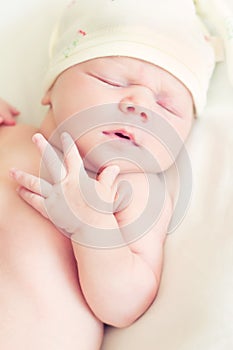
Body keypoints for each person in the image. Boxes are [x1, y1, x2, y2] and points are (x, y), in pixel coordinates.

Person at [0, 0, 216, 349]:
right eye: (111, 80)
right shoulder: (10, 135)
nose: (140, 105)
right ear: (50, 89)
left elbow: (124, 307)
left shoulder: (135, 190)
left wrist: (91, 225)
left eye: (167, 106)